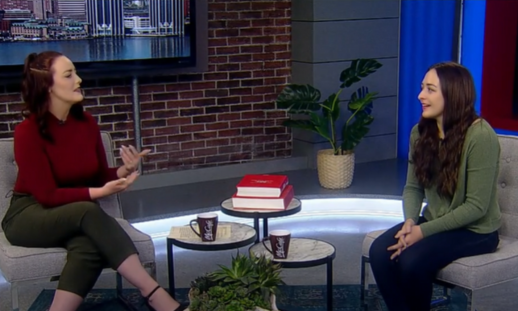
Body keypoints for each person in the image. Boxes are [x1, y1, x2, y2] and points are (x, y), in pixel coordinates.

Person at [0, 51, 187, 311]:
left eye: (75, 73)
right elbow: (47, 195)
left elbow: (98, 176)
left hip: (74, 213)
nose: (79, 80)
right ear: (47, 85)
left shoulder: (87, 123)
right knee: (88, 210)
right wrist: (97, 193)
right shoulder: (27, 132)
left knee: (88, 245)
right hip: (29, 214)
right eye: (69, 75)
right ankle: (152, 291)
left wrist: (122, 172)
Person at [368, 62, 502, 311]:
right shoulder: (419, 133)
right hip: (434, 222)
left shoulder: (481, 136)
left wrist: (423, 232)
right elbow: (413, 188)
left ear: (452, 94)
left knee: (411, 260)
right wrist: (410, 221)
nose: (421, 95)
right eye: (422, 88)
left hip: (476, 231)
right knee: (380, 252)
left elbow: (476, 206)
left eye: (430, 89)